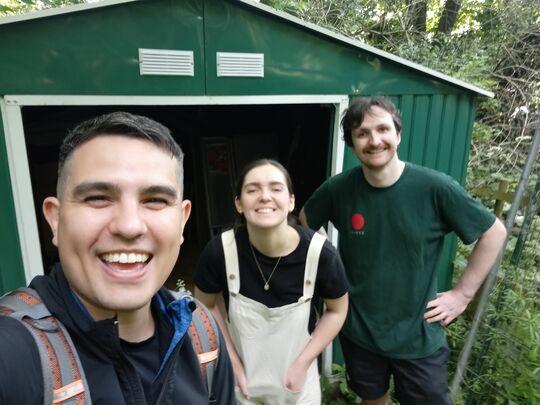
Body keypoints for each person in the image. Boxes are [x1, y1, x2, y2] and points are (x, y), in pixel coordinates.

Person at [0, 112, 236, 404]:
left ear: (182, 221)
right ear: (56, 220)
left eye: (155, 200)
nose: (129, 225)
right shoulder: (13, 354)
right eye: (98, 197)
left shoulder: (201, 332)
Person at [299, 97, 507, 405]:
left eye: (383, 129)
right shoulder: (338, 189)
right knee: (372, 400)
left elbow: (494, 232)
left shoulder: (435, 188)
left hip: (419, 336)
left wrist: (462, 295)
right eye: (362, 133)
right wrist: (328, 268)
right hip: (360, 332)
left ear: (398, 134)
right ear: (352, 144)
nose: (374, 140)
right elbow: (305, 222)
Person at [194, 158, 349, 405]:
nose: (265, 196)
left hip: (298, 384)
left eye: (276, 188)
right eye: (252, 189)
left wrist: (303, 362)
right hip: (242, 381)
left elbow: (338, 310)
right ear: (239, 203)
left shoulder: (320, 254)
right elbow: (204, 308)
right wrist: (232, 363)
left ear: (291, 202)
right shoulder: (220, 252)